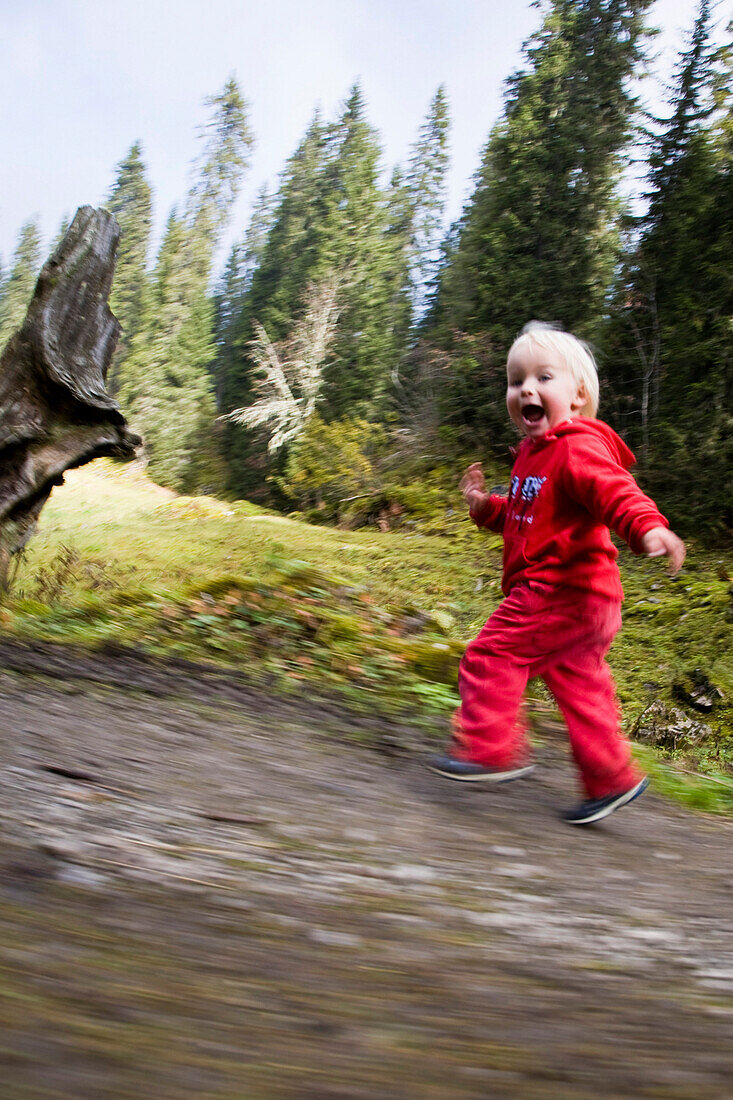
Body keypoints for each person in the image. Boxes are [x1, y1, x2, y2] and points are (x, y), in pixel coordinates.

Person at [428, 321, 686, 825]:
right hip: (590, 603)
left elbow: (615, 491)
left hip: (559, 592)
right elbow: (527, 516)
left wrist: (648, 527)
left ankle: (487, 748)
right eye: (515, 379)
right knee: (583, 691)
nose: (526, 388)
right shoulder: (534, 456)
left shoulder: (577, 447)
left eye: (544, 377)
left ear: (579, 394)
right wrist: (486, 508)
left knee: (492, 654)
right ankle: (611, 778)